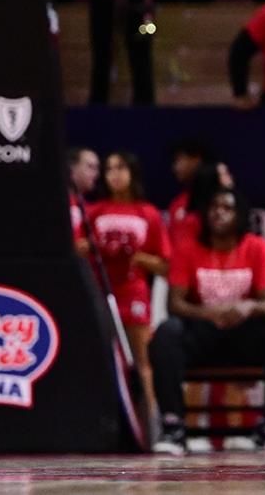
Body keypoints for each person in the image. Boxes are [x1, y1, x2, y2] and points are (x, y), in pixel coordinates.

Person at [151, 187, 265, 455]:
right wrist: (210, 313)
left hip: (243, 336)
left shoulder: (256, 247)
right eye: (213, 208)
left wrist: (247, 307)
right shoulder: (188, 248)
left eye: (227, 208)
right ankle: (173, 427)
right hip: (203, 336)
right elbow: (174, 304)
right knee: (166, 332)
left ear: (240, 215)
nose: (219, 213)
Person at [78, 152, 171, 410]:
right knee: (96, 358)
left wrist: (136, 257)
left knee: (140, 359)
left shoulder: (148, 213)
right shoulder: (94, 212)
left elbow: (165, 265)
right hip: (100, 293)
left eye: (121, 168)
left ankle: (150, 421)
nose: (115, 174)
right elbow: (76, 250)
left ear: (132, 173)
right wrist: (90, 247)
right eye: (109, 169)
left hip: (133, 294)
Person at [67, 146, 101, 235]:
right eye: (91, 167)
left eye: (97, 168)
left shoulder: (94, 208)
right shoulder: (53, 204)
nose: (96, 174)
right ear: (71, 169)